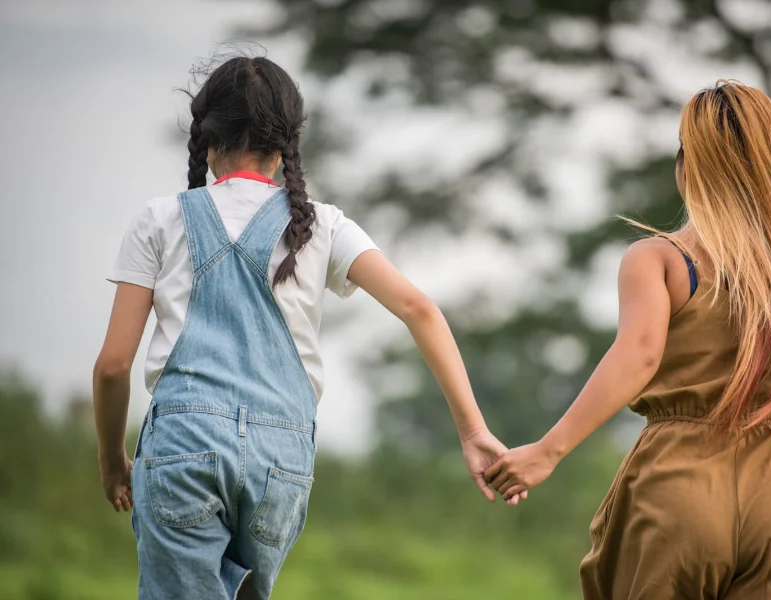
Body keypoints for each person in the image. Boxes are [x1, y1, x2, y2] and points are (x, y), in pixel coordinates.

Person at [92, 55, 522, 600]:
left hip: (183, 447)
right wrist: (473, 430)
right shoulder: (322, 225)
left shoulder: (158, 220)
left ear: (207, 135)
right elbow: (419, 309)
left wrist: (113, 463)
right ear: (285, 143)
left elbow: (113, 365)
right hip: (281, 459)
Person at [485, 80, 771, 599]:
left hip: (679, 490)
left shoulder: (658, 259)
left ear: (688, 164)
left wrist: (548, 451)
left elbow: (640, 355)